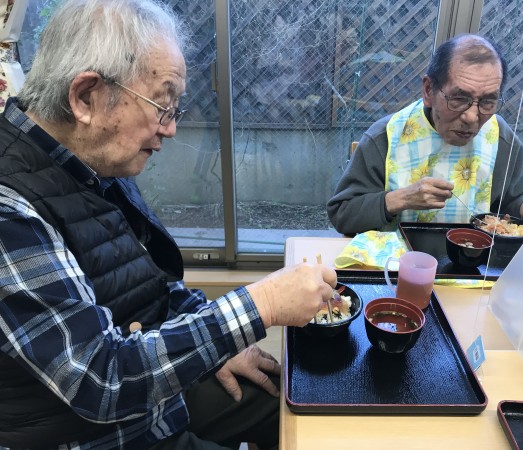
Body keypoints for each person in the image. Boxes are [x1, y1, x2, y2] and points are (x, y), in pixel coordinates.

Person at [0, 0, 337, 449]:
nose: (171, 129)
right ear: (86, 97)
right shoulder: (10, 209)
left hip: (155, 392)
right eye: (162, 104)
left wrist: (220, 344)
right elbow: (102, 380)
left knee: (300, 402)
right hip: (105, 432)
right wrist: (263, 305)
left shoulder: (91, 160)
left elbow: (153, 285)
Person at [327, 34, 523, 236]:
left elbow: (518, 194)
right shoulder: (386, 137)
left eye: (487, 101)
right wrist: (401, 198)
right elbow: (342, 214)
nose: (472, 117)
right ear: (429, 90)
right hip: (397, 264)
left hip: (475, 265)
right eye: (459, 98)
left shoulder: (500, 138)